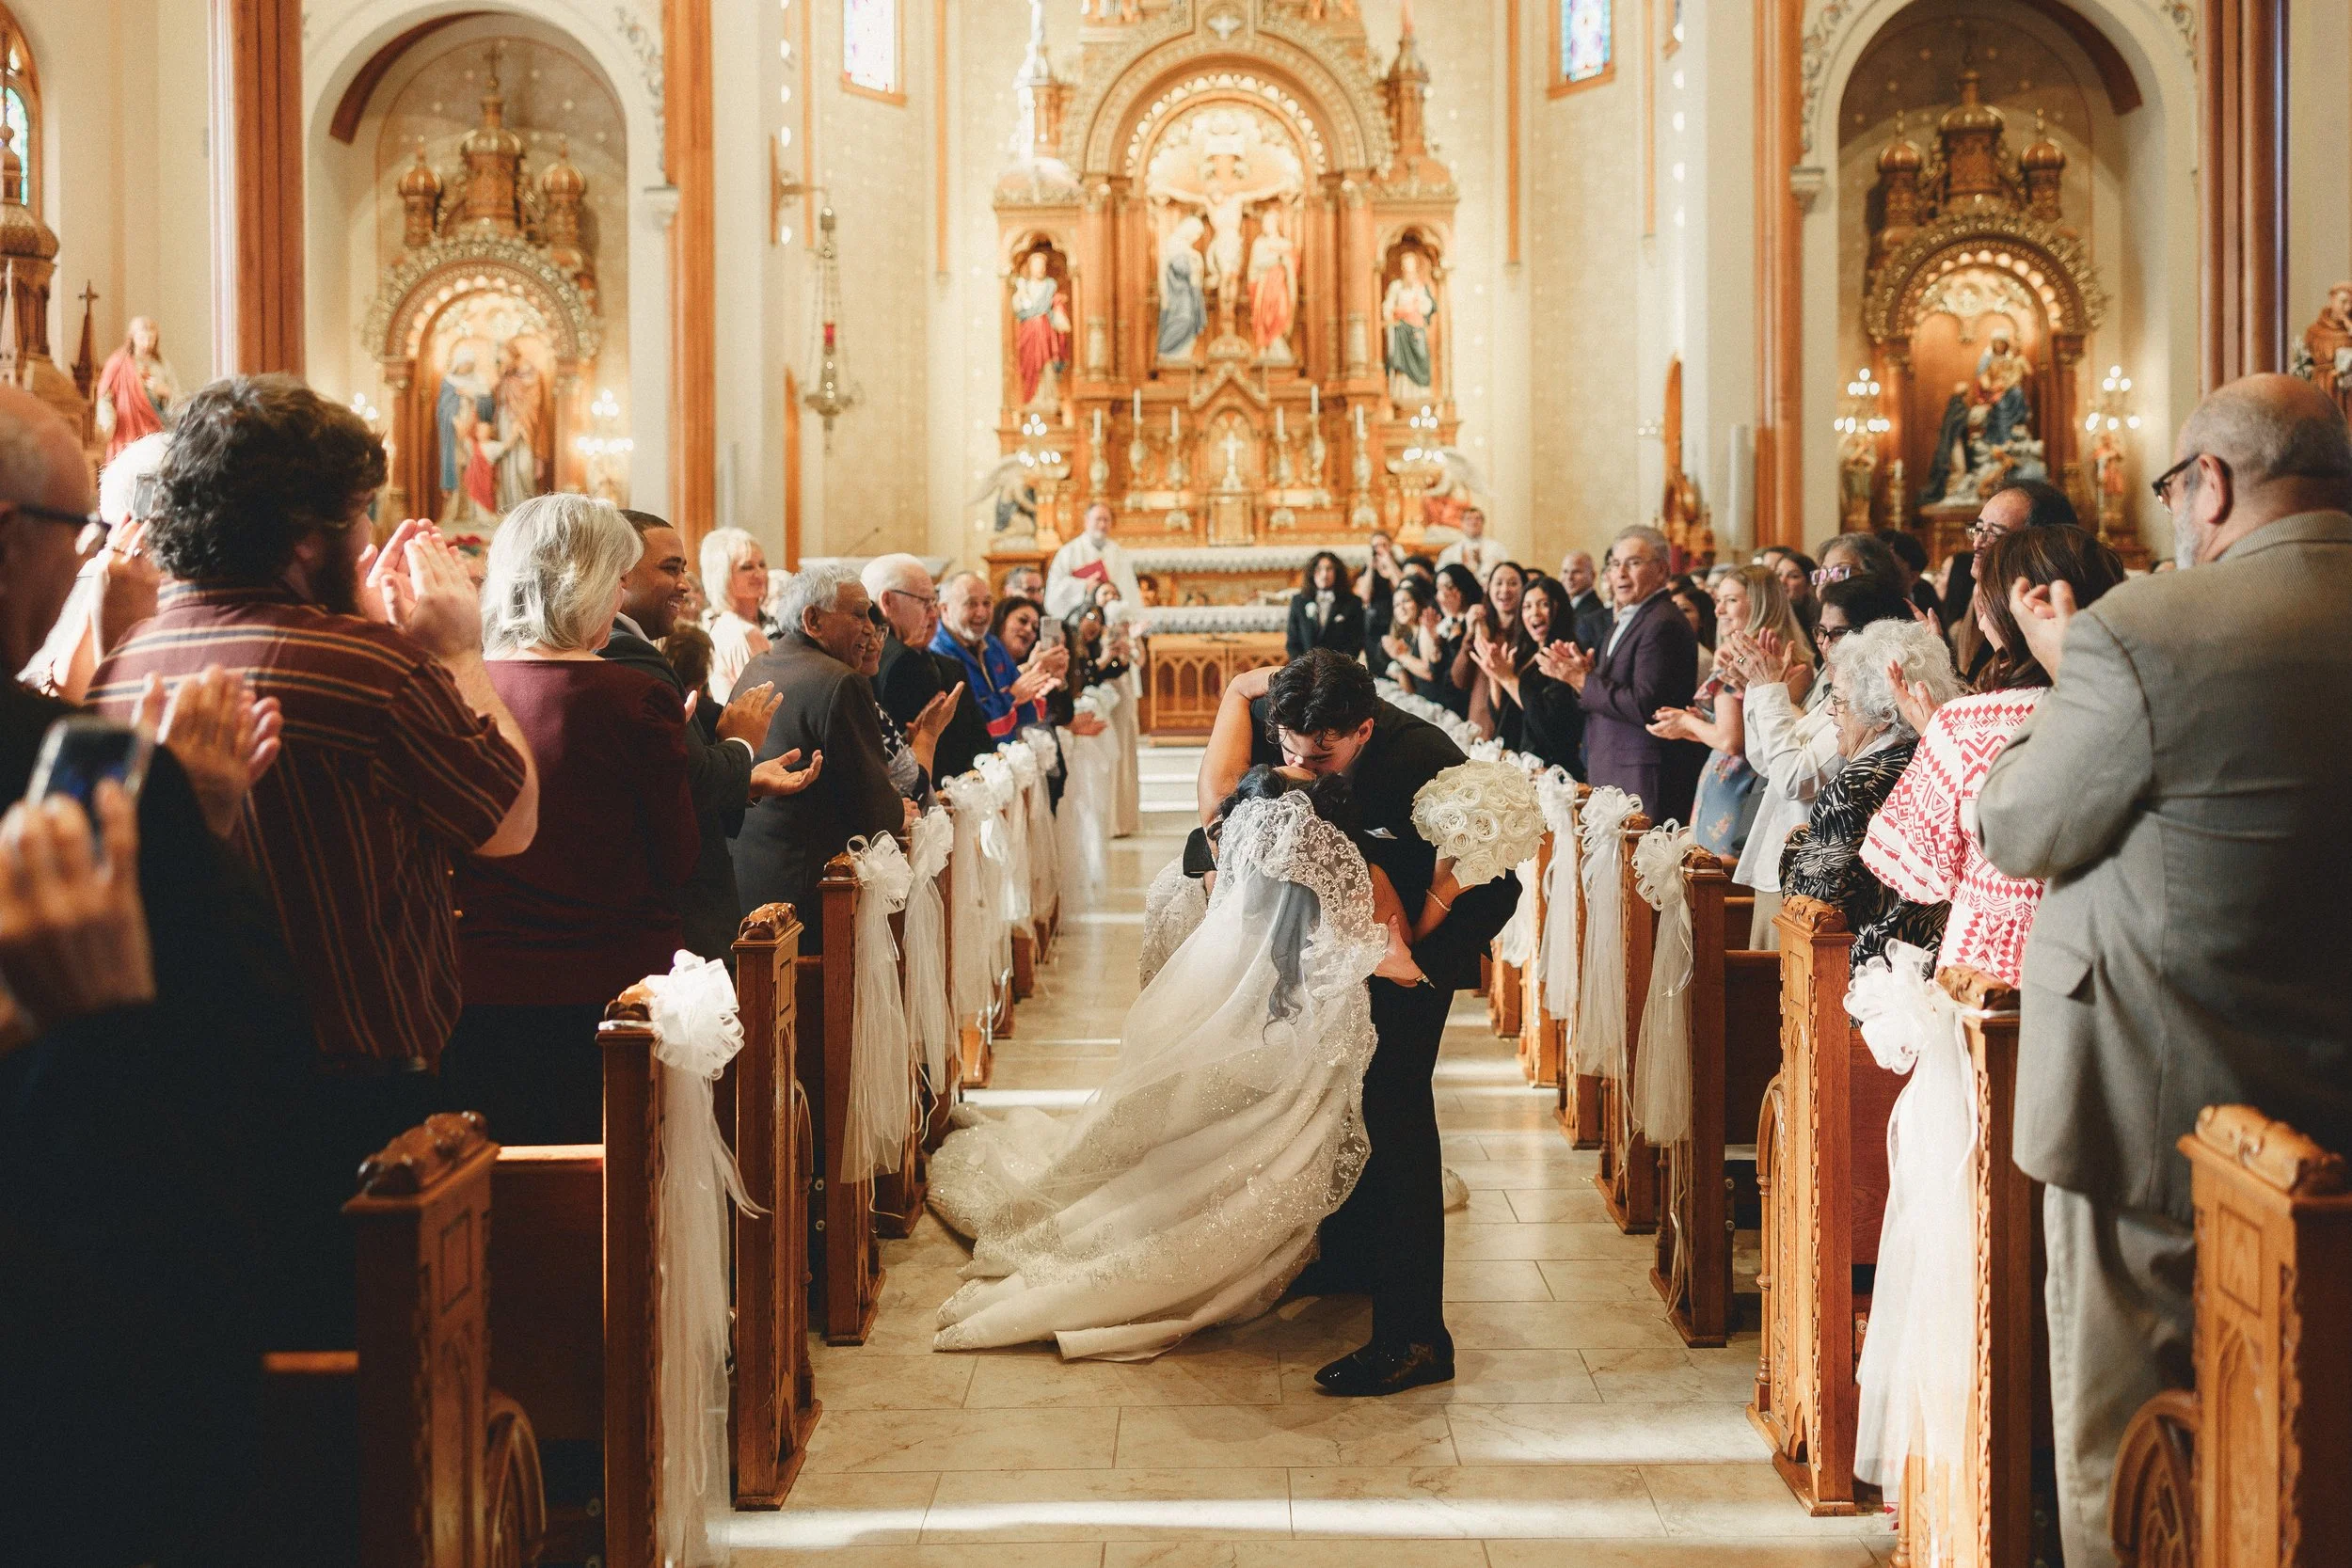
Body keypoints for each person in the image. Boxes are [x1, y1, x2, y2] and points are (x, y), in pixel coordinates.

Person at [1977, 373, 2352, 1568]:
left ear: (2215, 483)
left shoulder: (2149, 628)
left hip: (2155, 1104)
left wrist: (2055, 676)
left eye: (2177, 488)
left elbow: (2021, 825)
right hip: (2331, 1104)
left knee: (2129, 1436)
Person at [0, 384, 319, 1563]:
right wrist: (204, 818)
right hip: (62, 1383)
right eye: (79, 534)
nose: (96, 564)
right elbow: (239, 1079)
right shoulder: (91, 783)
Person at [89, 374, 537, 1165]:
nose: (367, 537)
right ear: (305, 536)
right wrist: (460, 653)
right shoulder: (371, 670)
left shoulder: (126, 661)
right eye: (360, 510)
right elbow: (509, 825)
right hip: (358, 1106)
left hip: (186, 1093)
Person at [929, 765, 1429, 1358]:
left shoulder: (1224, 895)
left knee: (1185, 1160)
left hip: (1241, 1061)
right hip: (1291, 1070)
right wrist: (1420, 930)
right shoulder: (1350, 889)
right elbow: (1390, 957)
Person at [1198, 651, 1520, 1396]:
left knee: (1398, 1110)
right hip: (1351, 941)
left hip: (1426, 937)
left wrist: (1414, 959)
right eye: (1290, 749)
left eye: (1323, 753)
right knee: (1345, 1094)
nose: (1302, 763)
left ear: (1366, 728)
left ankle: (1415, 1337)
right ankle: (1353, 1255)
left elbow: (1485, 874)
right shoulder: (1286, 724)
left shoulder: (1424, 762)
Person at [439, 497, 700, 1145]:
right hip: (613, 992)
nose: (618, 600)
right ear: (585, 584)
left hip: (481, 986)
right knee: (615, 1196)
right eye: (615, 580)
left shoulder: (459, 687)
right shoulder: (635, 698)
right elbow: (678, 858)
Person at [1861, 524, 2125, 986]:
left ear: (2014, 607)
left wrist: (1940, 743)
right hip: (2108, 950)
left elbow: (1918, 869)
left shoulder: (1963, 724)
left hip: (1989, 960)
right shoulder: (2134, 706)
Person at [604, 509, 820, 961]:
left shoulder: (638, 649)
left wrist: (747, 778)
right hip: (672, 908)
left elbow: (686, 760)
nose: (685, 584)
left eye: (685, 569)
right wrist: (741, 745)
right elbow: (691, 777)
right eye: (669, 569)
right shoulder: (625, 654)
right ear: (618, 574)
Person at [730, 563, 906, 953]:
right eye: (858, 614)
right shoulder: (841, 681)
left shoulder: (759, 664)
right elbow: (875, 813)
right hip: (807, 893)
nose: (868, 628)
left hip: (748, 881)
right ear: (813, 620)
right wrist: (901, 810)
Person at [1726, 577, 1906, 947]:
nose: (1824, 643)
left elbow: (1795, 777)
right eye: (1820, 631)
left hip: (1810, 884)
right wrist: (1760, 687)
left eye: (1836, 633)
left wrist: (1770, 691)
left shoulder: (1864, 699)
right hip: (1781, 864)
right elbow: (1767, 762)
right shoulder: (1834, 686)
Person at [1776, 619, 1963, 968]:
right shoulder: (1935, 761)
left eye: (1839, 700)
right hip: (1932, 963)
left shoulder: (1853, 787)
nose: (1830, 711)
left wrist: (1797, 847)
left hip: (1868, 977)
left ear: (1882, 716)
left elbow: (1812, 908)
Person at [1535, 526, 1704, 820]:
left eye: (1634, 563)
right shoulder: (1630, 616)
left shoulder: (1662, 623)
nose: (1621, 573)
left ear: (1663, 570)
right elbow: (1616, 686)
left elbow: (1647, 705)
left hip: (1641, 773)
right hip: (1612, 765)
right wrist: (1586, 673)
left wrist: (1579, 679)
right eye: (1614, 564)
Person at [1647, 565, 1804, 860]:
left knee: (1714, 887)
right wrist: (1698, 727)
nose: (1718, 609)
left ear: (1759, 603)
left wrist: (1688, 721)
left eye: (1730, 600)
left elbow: (1732, 741)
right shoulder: (1787, 652)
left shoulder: (1745, 656)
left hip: (1739, 785)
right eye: (1719, 600)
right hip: (1753, 781)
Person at [866, 553, 985, 783]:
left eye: (934, 602)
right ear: (887, 602)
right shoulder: (904, 662)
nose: (933, 613)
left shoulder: (889, 656)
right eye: (925, 602)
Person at [934, 571, 1061, 748]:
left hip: (1005, 757)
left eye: (987, 603)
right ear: (944, 609)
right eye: (971, 604)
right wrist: (1013, 697)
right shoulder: (937, 656)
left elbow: (1028, 714)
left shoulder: (992, 645)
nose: (981, 612)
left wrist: (1043, 679)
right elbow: (970, 728)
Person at [1470, 572, 1582, 773]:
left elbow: (1546, 721)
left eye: (1543, 604)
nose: (1534, 613)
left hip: (1551, 769)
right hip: (1520, 761)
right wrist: (1495, 677)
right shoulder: (1525, 653)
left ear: (1560, 608)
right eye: (1527, 606)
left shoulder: (1567, 655)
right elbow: (1502, 717)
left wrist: (1507, 678)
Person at [1453, 560, 1531, 741]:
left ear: (1524, 588)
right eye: (1499, 583)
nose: (1505, 590)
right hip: (1480, 726)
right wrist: (1471, 634)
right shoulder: (1482, 628)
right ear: (1488, 588)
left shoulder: (1530, 633)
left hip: (1514, 728)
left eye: (1513, 583)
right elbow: (1459, 680)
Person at [698, 525, 772, 702]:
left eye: (762, 564)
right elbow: (762, 703)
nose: (759, 573)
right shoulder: (742, 632)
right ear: (722, 575)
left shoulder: (729, 625)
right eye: (747, 567)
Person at [1045, 499, 1142, 617]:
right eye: (1098, 519)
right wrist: (1084, 585)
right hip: (1079, 616)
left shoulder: (1118, 552)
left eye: (1106, 520)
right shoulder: (1068, 552)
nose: (1102, 525)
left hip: (1113, 617)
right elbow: (1055, 592)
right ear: (1086, 521)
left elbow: (1128, 588)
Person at [1418, 562, 1483, 718]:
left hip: (1466, 705)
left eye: (1449, 587)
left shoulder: (1476, 617)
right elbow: (1436, 672)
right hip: (1444, 704)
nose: (1444, 594)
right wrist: (1434, 640)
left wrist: (1456, 632)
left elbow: (1461, 673)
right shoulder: (1446, 622)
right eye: (1439, 589)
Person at [1287, 548, 1364, 659]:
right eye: (1319, 569)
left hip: (1339, 669)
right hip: (1305, 668)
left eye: (1329, 569)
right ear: (1312, 573)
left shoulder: (1352, 602)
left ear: (1337, 572)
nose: (1324, 574)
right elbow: (1292, 642)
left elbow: (1355, 641)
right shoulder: (1298, 601)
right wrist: (1303, 667)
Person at [1355, 530, 1401, 677]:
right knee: (1375, 661)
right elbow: (1364, 596)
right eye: (1376, 546)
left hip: (1395, 616)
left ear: (1390, 546)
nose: (1380, 549)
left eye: (1383, 545)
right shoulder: (1368, 570)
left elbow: (1402, 586)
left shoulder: (1398, 565)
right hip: (1374, 619)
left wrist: (1389, 562)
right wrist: (1370, 568)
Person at [1757, 546, 1820, 640]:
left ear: (1809, 584)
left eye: (1793, 576)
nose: (1782, 581)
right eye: (1778, 574)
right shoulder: (1765, 614)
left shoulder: (1816, 622)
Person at [1434, 505, 1503, 581]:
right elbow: (1439, 575)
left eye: (1477, 519)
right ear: (1461, 524)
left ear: (1483, 523)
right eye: (1468, 519)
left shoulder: (1496, 548)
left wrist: (1481, 561)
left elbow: (1505, 571)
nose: (1473, 522)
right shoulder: (1449, 552)